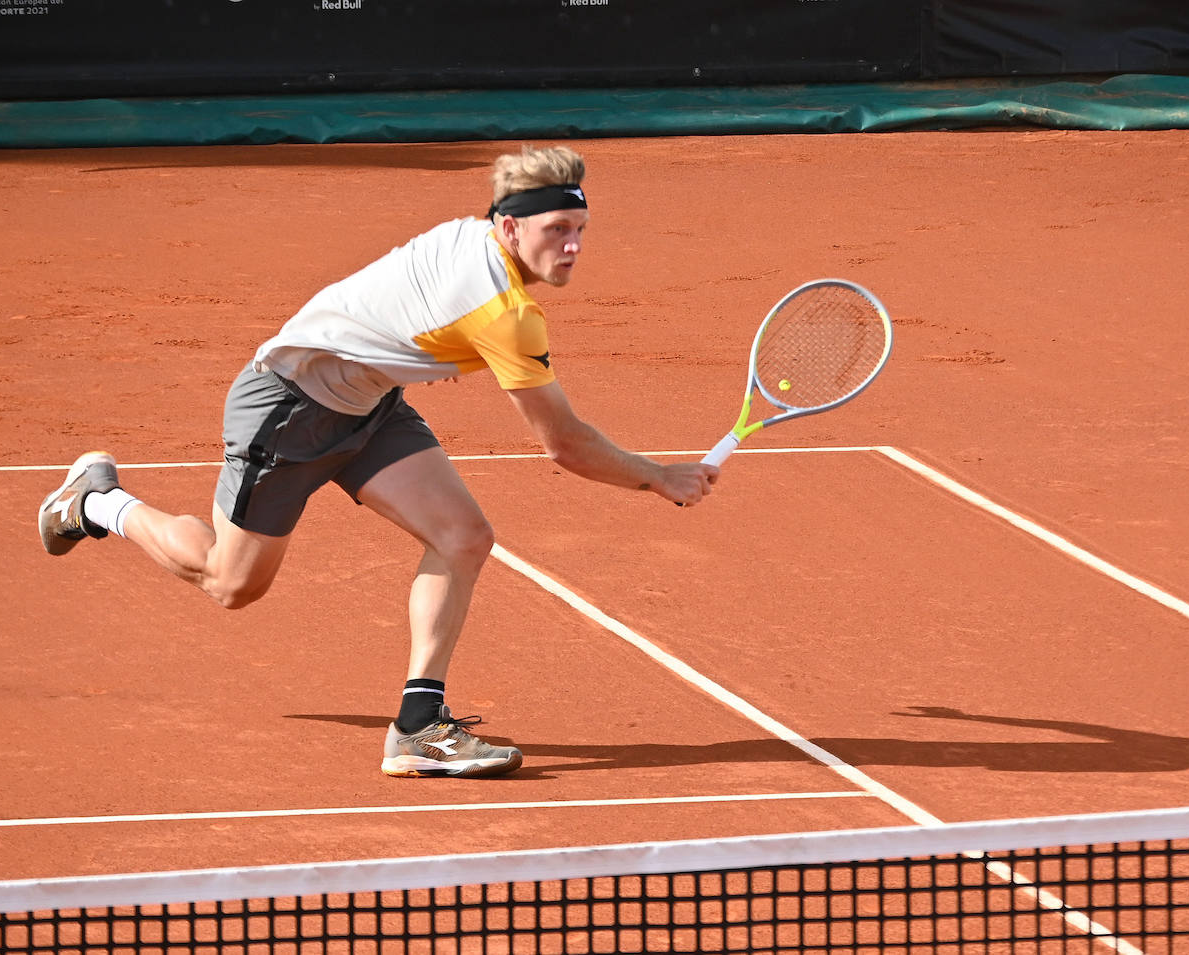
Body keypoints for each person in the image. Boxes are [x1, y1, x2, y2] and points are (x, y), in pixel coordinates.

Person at [37, 144, 719, 779]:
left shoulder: (476, 237)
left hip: (368, 404)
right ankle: (97, 500)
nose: (571, 245)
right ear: (510, 229)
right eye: (555, 229)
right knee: (229, 581)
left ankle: (418, 728)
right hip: (289, 407)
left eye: (579, 228)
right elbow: (563, 443)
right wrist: (659, 476)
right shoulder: (504, 313)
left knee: (463, 536)